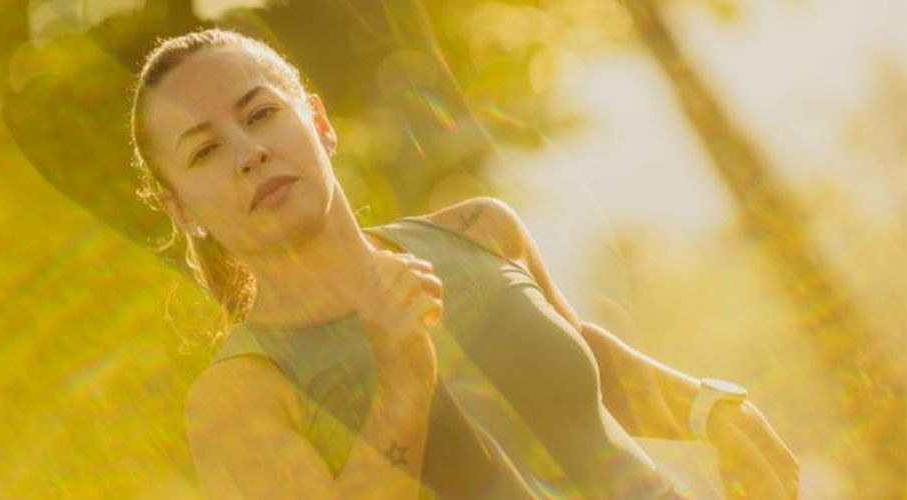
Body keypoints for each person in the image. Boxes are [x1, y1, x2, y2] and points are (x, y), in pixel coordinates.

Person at [127, 28, 798, 499]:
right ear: (180, 208)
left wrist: (712, 410)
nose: (249, 152)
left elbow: (584, 373)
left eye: (262, 114)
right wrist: (400, 382)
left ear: (319, 122)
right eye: (204, 152)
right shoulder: (238, 397)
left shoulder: (483, 231)